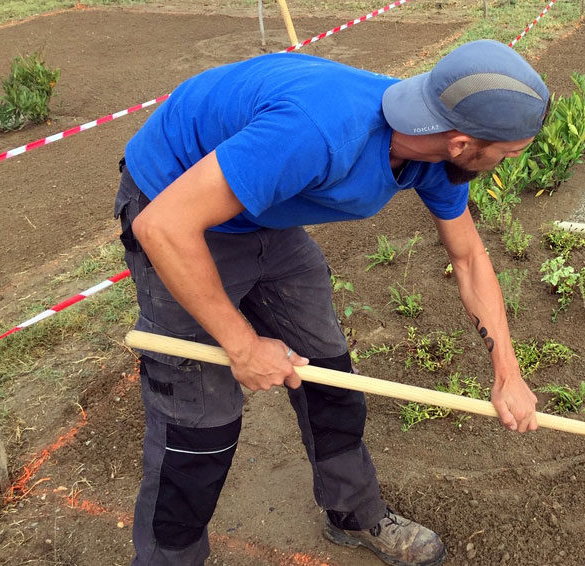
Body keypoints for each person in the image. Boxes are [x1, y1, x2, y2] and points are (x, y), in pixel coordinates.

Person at [114, 39, 549, 566]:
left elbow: (469, 257)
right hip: (173, 201)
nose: (507, 163)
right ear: (460, 143)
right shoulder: (320, 132)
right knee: (200, 423)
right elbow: (162, 224)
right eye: (508, 152)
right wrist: (243, 344)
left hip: (260, 208)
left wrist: (507, 368)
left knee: (328, 371)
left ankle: (352, 513)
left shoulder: (434, 152)